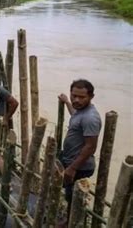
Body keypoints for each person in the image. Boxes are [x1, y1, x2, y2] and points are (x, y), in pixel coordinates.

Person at [58, 79, 101, 221]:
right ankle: (69, 219)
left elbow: (90, 147)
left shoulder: (90, 118)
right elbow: (74, 113)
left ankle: (70, 222)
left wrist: (72, 168)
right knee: (69, 193)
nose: (76, 100)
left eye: (81, 97)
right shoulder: (80, 111)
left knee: (74, 198)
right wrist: (66, 102)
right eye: (73, 95)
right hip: (71, 161)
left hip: (79, 166)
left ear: (91, 97)